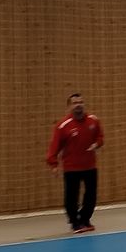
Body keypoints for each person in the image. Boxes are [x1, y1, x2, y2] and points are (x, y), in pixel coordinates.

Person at [46, 92, 103, 233]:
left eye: (81, 102)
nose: (79, 105)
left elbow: (100, 137)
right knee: (71, 197)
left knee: (91, 195)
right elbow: (55, 146)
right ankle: (75, 222)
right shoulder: (62, 126)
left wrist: (96, 144)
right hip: (71, 168)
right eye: (75, 103)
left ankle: (85, 219)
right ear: (69, 107)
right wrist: (53, 164)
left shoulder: (93, 121)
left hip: (90, 166)